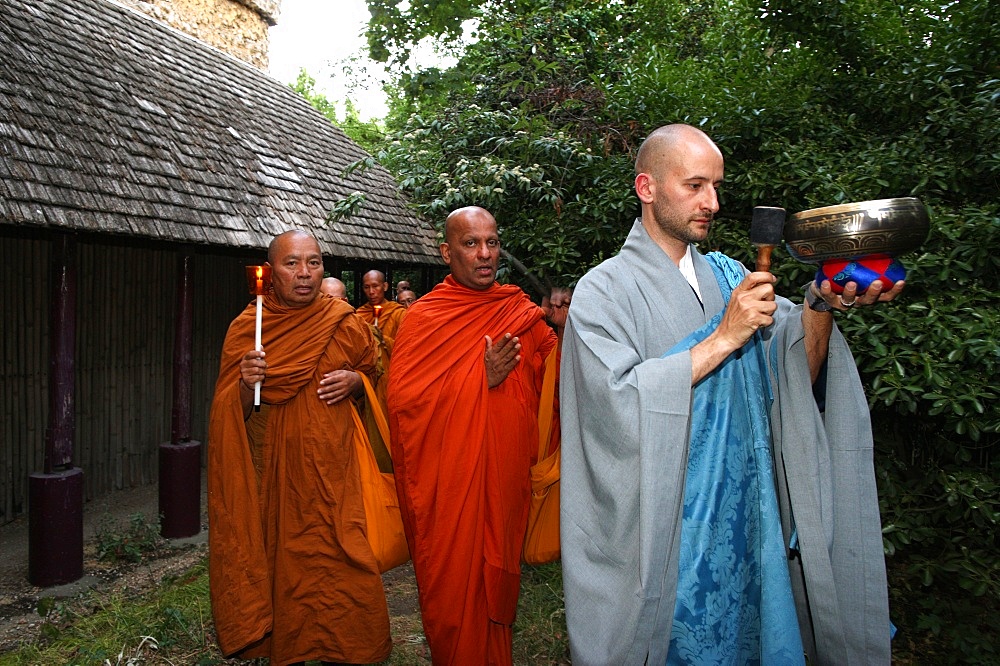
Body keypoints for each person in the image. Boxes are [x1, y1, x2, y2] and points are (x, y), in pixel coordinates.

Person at [559, 124, 899, 665]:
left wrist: (823, 302)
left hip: (746, 520)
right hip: (667, 533)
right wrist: (723, 337)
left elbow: (792, 375)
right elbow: (613, 406)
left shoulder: (729, 276)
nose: (712, 203)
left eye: (716, 186)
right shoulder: (603, 292)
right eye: (695, 186)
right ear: (646, 187)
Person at [207, 230, 391, 665]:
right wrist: (244, 385)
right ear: (271, 273)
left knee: (344, 566)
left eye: (314, 262)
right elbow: (225, 411)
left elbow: (380, 375)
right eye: (292, 264)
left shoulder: (344, 320)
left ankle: (348, 652)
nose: (305, 274)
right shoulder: (248, 328)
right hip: (274, 480)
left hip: (333, 478)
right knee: (280, 572)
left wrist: (358, 383)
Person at [387, 206, 558, 664]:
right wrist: (476, 379)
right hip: (450, 489)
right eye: (470, 243)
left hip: (503, 480)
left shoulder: (517, 310)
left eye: (493, 242)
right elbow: (405, 409)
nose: (485, 255)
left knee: (495, 594)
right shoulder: (424, 319)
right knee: (456, 598)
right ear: (447, 251)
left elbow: (559, 372)